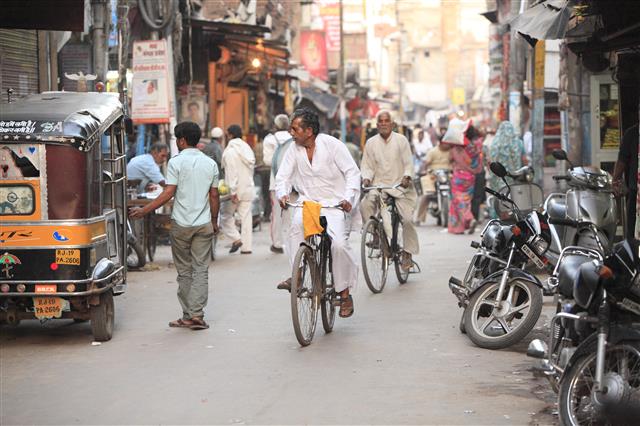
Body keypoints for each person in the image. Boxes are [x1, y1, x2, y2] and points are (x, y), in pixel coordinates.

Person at [129, 122, 219, 331]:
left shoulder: (175, 163)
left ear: (182, 140)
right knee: (200, 270)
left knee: (185, 270)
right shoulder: (210, 164)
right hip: (203, 224)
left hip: (181, 224)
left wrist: (144, 210)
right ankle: (196, 314)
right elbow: (214, 195)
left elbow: (168, 192)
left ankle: (189, 315)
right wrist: (214, 221)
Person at [275, 107, 360, 319]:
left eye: (295, 129)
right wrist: (283, 194)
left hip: (334, 204)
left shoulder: (332, 145)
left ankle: (344, 293)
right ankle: (299, 273)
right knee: (295, 228)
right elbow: (282, 177)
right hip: (308, 203)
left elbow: (352, 173)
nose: (291, 133)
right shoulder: (293, 150)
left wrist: (348, 199)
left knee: (339, 245)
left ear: (309, 130)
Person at [360, 110, 418, 270]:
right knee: (365, 204)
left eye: (387, 121)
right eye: (381, 121)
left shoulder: (401, 140)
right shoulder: (371, 143)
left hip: (400, 187)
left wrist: (407, 176)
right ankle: (377, 235)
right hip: (379, 186)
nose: (384, 123)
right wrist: (366, 177)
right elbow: (367, 166)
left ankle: (407, 253)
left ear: (392, 124)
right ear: (377, 124)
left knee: (407, 220)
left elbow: (408, 163)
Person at [441, 118, 483, 235]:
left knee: (458, 201)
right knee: (465, 201)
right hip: (471, 178)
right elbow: (479, 163)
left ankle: (469, 219)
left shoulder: (456, 148)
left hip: (459, 177)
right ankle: (459, 228)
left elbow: (450, 160)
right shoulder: (475, 147)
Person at [220, 124, 255, 254]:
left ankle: (236, 238)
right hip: (248, 188)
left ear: (230, 135)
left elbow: (231, 173)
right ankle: (247, 247)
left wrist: (233, 191)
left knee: (225, 216)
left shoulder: (230, 152)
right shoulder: (247, 149)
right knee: (246, 218)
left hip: (235, 190)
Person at [263, 114, 293, 254]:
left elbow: (267, 161)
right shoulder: (294, 138)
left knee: (276, 214)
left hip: (275, 183)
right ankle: (291, 241)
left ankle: (277, 243)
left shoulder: (270, 139)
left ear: (275, 125)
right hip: (294, 183)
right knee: (291, 213)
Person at [486, 121, 527, 218]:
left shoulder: (494, 144)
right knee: (515, 199)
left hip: (498, 178)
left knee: (498, 199)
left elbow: (489, 162)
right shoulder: (519, 143)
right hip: (514, 178)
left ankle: (498, 219)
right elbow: (525, 160)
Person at [414, 138, 452, 224]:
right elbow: (425, 163)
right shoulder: (433, 151)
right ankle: (419, 218)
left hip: (447, 175)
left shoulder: (451, 151)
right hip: (433, 175)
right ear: (441, 143)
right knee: (426, 195)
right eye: (446, 143)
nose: (448, 145)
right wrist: (422, 171)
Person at [613, 122, 639, 239]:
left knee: (633, 235)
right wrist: (615, 180)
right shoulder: (632, 134)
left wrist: (615, 180)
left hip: (635, 192)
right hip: (636, 193)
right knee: (633, 233)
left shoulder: (632, 133)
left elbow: (622, 159)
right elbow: (622, 160)